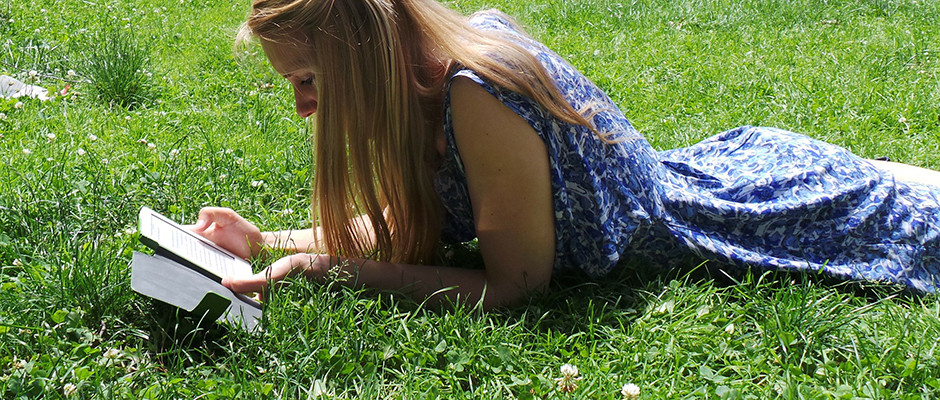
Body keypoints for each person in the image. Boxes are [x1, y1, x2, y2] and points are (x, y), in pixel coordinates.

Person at [191, 0, 940, 310]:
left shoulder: (473, 92)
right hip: (739, 168)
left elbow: (516, 284)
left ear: (360, 58)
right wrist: (268, 242)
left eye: (310, 81)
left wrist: (332, 269)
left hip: (771, 213)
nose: (303, 108)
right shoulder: (429, 77)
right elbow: (418, 218)